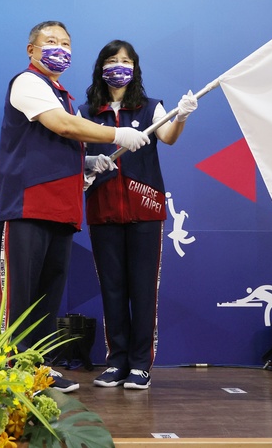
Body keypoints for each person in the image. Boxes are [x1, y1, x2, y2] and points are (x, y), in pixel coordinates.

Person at [0, 22, 151, 393]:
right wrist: (117, 134)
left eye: (65, 43)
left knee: (48, 298)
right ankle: (14, 372)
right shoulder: (28, 83)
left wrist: (85, 164)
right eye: (50, 42)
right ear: (31, 49)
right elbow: (63, 127)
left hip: (62, 211)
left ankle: (40, 368)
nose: (59, 48)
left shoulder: (61, 93)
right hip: (28, 207)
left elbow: (58, 143)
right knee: (22, 297)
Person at [79, 39, 197, 390]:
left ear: (136, 68)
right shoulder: (86, 112)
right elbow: (76, 152)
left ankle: (140, 366)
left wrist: (182, 116)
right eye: (112, 60)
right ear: (101, 67)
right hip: (103, 211)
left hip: (145, 211)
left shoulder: (150, 107)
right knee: (112, 288)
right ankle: (116, 362)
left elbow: (169, 136)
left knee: (143, 290)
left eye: (126, 60)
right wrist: (87, 162)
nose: (119, 66)